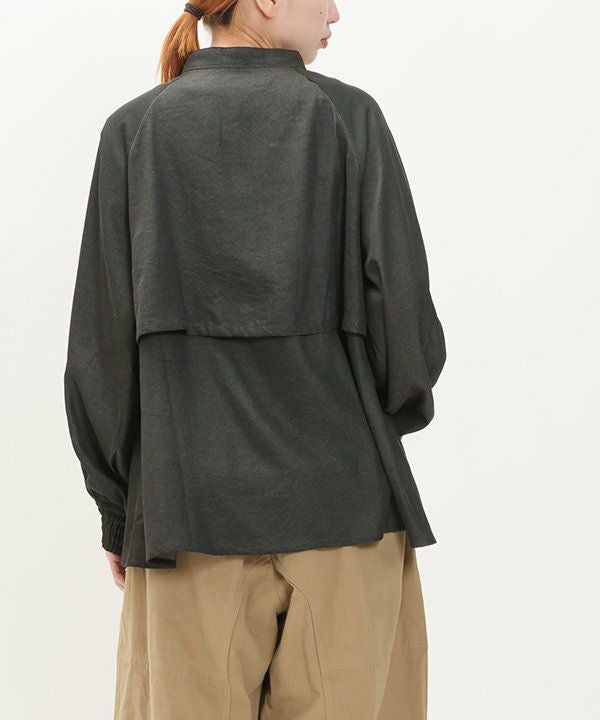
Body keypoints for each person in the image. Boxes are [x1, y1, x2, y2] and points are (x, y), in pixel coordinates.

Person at [63, 1, 447, 718]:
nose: (336, 11)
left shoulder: (135, 131)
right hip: (347, 510)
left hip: (185, 514)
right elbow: (407, 333)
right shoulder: (350, 120)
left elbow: (100, 351)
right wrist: (372, 421)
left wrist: (117, 507)